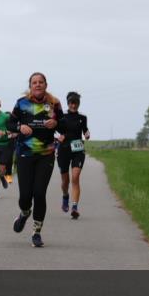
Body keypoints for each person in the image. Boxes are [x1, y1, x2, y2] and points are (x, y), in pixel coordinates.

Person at [7, 73, 63, 247]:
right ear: (30, 86)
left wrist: (56, 124)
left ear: (46, 84)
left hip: (45, 154)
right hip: (25, 153)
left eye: (41, 82)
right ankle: (24, 213)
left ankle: (37, 232)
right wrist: (19, 127)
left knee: (39, 193)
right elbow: (9, 123)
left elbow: (64, 124)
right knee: (25, 196)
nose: (37, 85)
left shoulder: (54, 103)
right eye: (34, 82)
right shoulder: (21, 103)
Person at [56, 91, 90, 219]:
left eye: (76, 103)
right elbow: (53, 129)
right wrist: (58, 137)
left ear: (79, 104)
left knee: (75, 177)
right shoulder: (62, 116)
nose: (74, 106)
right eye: (71, 103)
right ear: (68, 103)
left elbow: (85, 129)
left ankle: (74, 207)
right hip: (63, 150)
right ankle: (65, 196)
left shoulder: (83, 117)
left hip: (78, 150)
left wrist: (87, 134)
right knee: (65, 181)